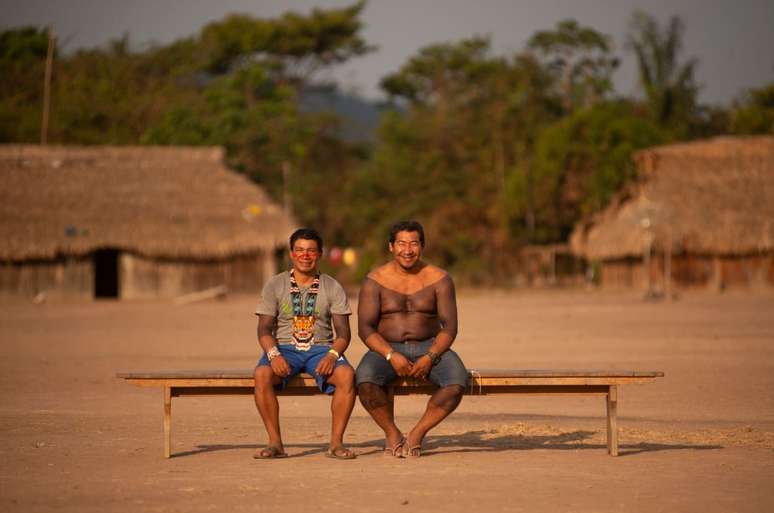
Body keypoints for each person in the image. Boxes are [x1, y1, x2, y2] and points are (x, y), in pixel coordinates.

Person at [355, 220, 467, 458]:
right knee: (364, 382)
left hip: (430, 345)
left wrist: (431, 356)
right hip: (386, 347)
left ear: (422, 246)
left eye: (414, 243)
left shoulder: (439, 279)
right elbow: (365, 328)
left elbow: (450, 327)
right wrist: (390, 355)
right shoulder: (375, 280)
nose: (407, 250)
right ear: (391, 246)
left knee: (457, 381)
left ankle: (417, 433)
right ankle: (392, 433)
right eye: (401, 243)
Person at [253, 228, 356, 459]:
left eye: (311, 250)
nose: (305, 255)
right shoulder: (275, 284)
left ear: (319, 254)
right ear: (291, 253)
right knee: (261, 374)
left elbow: (343, 333)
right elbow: (264, 329)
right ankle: (275, 444)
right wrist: (273, 355)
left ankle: (336, 444)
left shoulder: (332, 286)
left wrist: (331, 355)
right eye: (299, 250)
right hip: (284, 348)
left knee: (347, 375)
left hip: (322, 349)